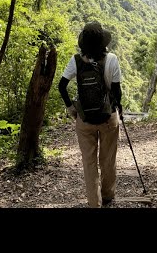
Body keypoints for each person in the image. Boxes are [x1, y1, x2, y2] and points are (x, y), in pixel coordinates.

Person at [58, 21, 123, 208]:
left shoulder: (76, 61)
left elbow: (61, 86)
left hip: (84, 120)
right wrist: (119, 108)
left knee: (89, 163)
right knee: (108, 159)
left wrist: (71, 109)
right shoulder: (112, 59)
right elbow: (117, 92)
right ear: (102, 41)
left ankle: (94, 203)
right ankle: (108, 196)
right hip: (108, 118)